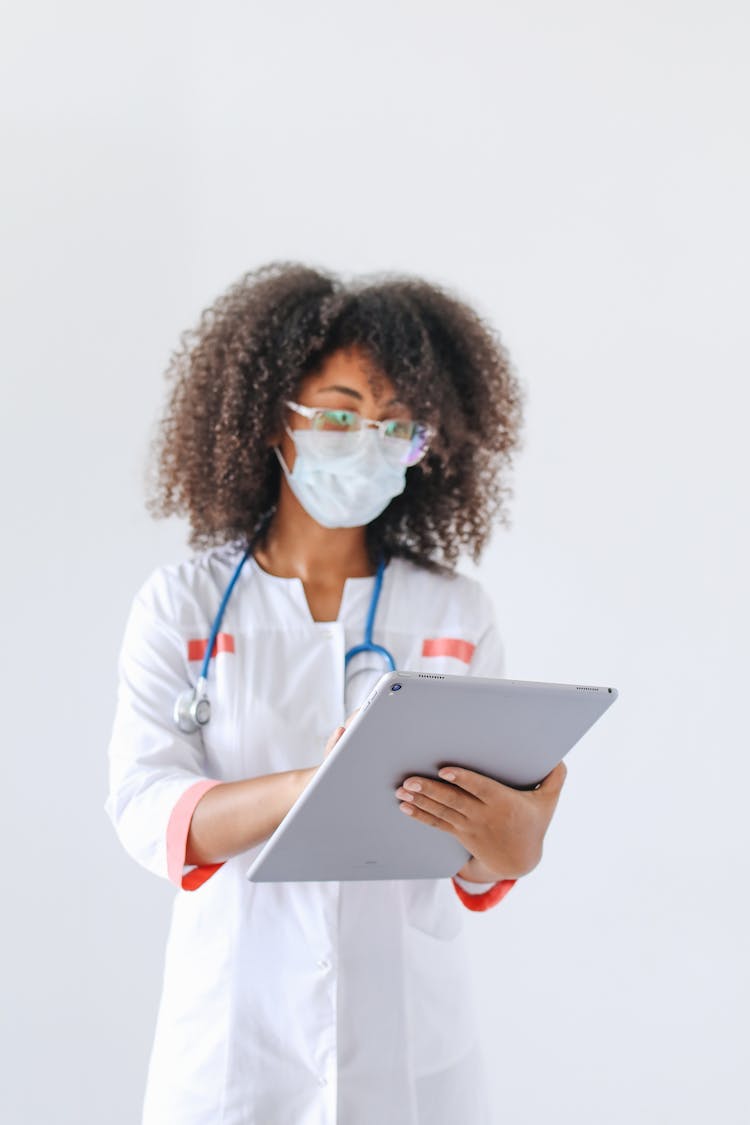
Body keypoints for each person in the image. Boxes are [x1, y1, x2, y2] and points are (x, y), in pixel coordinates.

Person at [105, 262, 567, 1125]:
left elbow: (482, 852)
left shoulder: (453, 612)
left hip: (409, 1040)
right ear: (271, 420)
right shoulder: (182, 604)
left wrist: (511, 844)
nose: (367, 441)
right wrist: (306, 789)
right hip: (235, 1042)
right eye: (340, 412)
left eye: (397, 424)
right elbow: (144, 809)